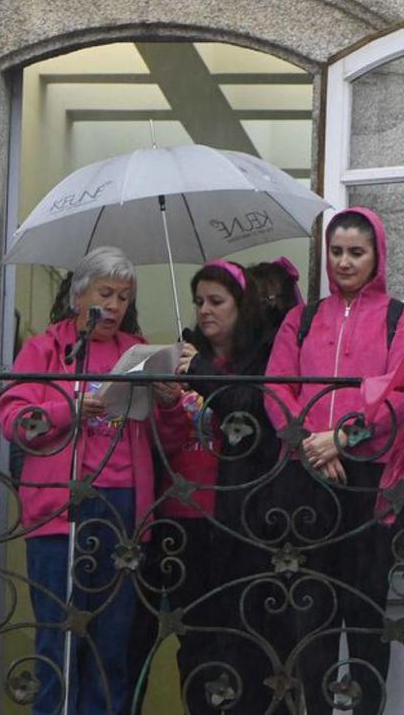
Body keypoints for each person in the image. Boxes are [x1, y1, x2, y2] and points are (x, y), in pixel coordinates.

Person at [0, 246, 182, 715]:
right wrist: (69, 409)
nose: (115, 306)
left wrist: (168, 400)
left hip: (123, 505)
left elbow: (172, 439)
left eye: (123, 296)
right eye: (106, 293)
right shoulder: (47, 348)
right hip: (62, 510)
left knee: (111, 642)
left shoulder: (136, 351)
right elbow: (15, 422)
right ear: (80, 296)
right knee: (59, 637)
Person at [262, 208, 404, 714]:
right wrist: (310, 441)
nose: (344, 262)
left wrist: (342, 440)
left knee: (367, 613)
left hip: (368, 478)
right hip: (306, 477)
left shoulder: (398, 316)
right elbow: (276, 389)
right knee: (312, 613)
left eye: (356, 252)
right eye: (336, 251)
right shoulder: (301, 318)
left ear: (377, 257)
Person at [128, 258, 267, 713]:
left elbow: (251, 422)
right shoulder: (179, 358)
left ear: (240, 306)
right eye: (198, 302)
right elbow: (165, 443)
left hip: (228, 517)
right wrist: (169, 403)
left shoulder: (258, 358)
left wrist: (204, 372)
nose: (205, 310)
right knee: (177, 639)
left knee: (228, 639)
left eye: (216, 301)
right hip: (177, 516)